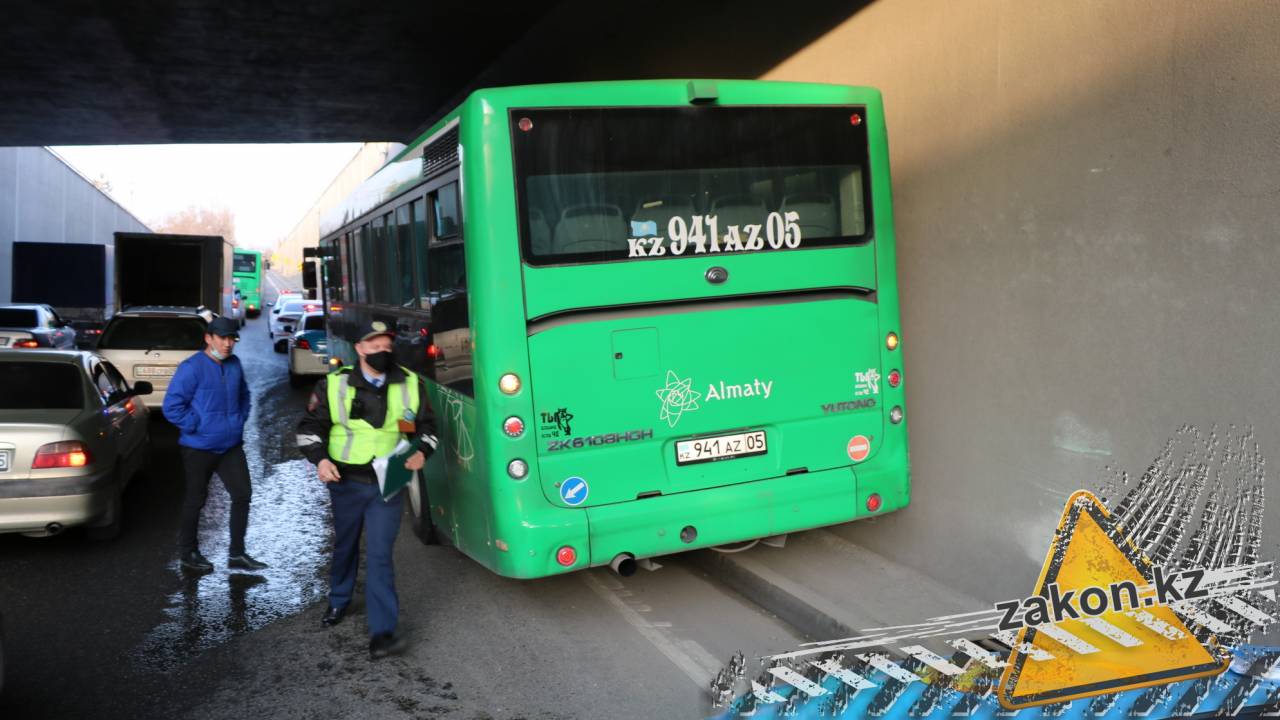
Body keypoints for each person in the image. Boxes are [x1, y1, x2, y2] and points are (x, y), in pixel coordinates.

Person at [295, 321, 438, 659]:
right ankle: (339, 599)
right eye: (374, 346)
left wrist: (422, 451)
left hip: (387, 485)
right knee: (345, 544)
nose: (382, 351)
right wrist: (319, 460)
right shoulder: (333, 385)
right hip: (345, 482)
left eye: (386, 345)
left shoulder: (411, 384)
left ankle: (383, 634)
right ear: (358, 348)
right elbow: (308, 429)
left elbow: (428, 428)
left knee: (379, 556)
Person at [163, 315, 268, 573]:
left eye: (232, 338)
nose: (228, 344)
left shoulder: (234, 364)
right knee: (195, 500)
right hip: (198, 447)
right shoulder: (192, 367)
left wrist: (239, 420)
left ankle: (237, 554)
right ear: (208, 338)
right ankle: (188, 554)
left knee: (242, 495)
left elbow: (244, 395)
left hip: (230, 447)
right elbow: (172, 407)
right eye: (222, 338)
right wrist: (197, 426)